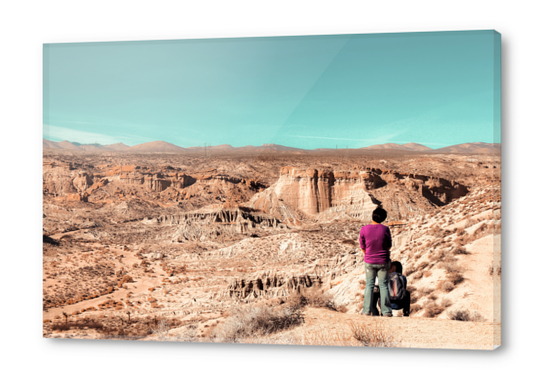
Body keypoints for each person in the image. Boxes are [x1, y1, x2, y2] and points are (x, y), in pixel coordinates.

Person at [360, 207, 393, 317]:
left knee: (369, 284)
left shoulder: (364, 229)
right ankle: (386, 311)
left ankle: (366, 311)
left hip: (369, 261)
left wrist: (368, 254)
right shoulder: (385, 229)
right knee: (383, 285)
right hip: (383, 261)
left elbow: (362, 245)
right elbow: (389, 245)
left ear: (373, 215)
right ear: (383, 218)